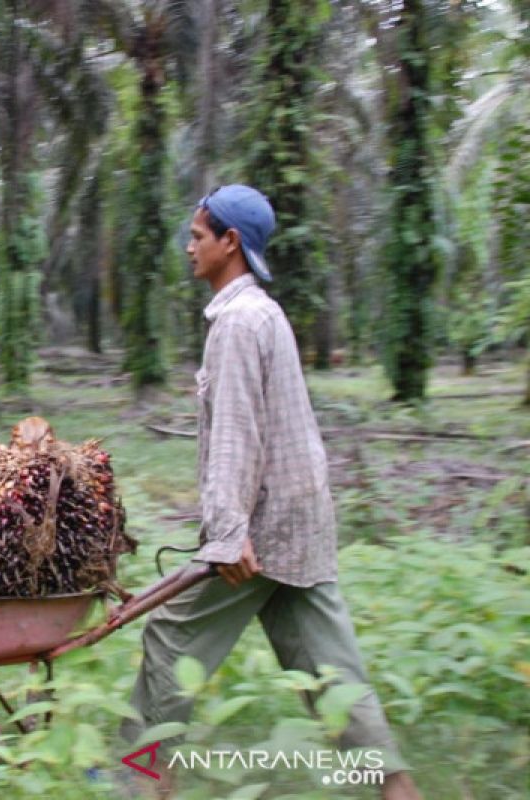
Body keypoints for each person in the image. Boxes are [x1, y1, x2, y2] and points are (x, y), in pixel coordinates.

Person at [119, 185, 421, 799]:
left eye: (198, 237)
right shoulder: (265, 312)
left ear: (231, 242)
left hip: (262, 530)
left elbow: (237, 433)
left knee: (169, 635)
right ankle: (396, 789)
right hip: (301, 521)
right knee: (330, 672)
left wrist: (228, 536)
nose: (188, 248)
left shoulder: (236, 322)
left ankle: (141, 783)